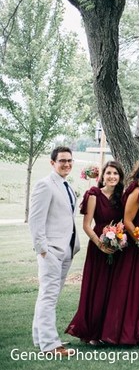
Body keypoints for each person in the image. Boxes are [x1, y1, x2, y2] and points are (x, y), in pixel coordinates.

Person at [101, 156, 139, 345]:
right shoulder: (137, 190)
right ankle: (125, 332)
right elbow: (127, 221)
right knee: (133, 289)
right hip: (138, 250)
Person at [65, 161, 125, 345]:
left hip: (117, 248)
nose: (112, 176)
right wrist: (100, 244)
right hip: (98, 247)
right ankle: (91, 333)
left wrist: (119, 242)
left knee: (113, 290)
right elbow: (86, 225)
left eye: (115, 173)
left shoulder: (122, 197)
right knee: (97, 288)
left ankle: (107, 331)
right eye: (108, 173)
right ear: (103, 176)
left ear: (120, 177)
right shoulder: (94, 194)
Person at [29, 146, 80, 357]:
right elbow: (35, 220)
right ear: (52, 163)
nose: (66, 164)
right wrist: (43, 250)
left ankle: (39, 337)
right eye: (62, 161)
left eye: (69, 160)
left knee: (49, 295)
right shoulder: (45, 185)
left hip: (67, 249)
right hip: (51, 251)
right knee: (48, 296)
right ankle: (50, 345)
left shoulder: (66, 185)